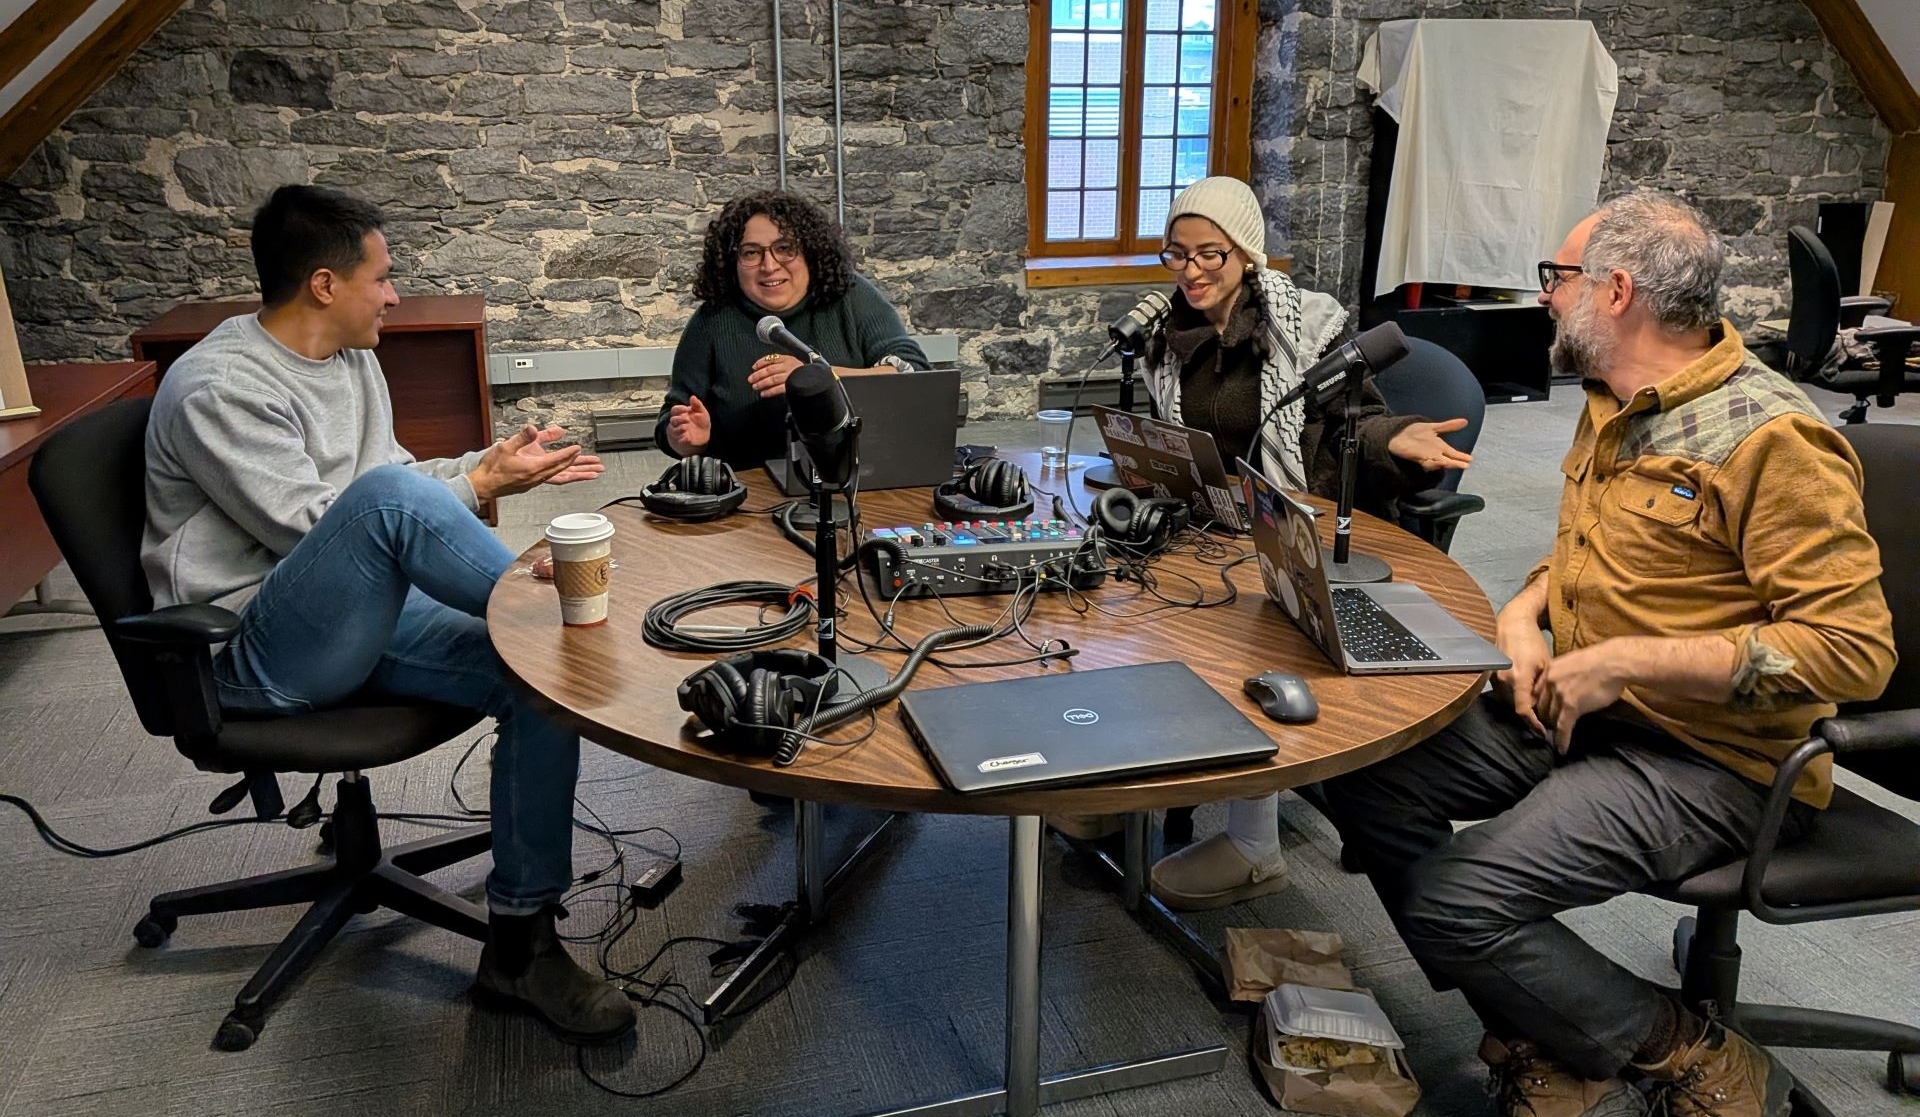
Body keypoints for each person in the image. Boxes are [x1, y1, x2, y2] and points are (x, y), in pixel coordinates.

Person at [1320, 191, 1895, 1117]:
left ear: (1616, 291)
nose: (1546, 295)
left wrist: (1627, 662)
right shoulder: (1616, 400)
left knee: (1455, 902)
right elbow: (1600, 553)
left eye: (1558, 277)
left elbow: (1851, 651)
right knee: (1366, 762)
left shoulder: (1772, 439)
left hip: (1713, 759)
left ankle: (1688, 1048)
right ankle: (1540, 1031)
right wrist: (1523, 612)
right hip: (1586, 710)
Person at [142, 184, 635, 1045]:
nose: (395, 295)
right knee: (431, 537)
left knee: (541, 673)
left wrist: (486, 467)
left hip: (358, 615)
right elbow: (326, 528)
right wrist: (472, 490)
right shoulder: (217, 387)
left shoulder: (349, 358)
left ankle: (520, 943)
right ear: (325, 284)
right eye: (382, 277)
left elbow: (393, 490)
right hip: (254, 648)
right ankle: (580, 609)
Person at [1076, 176, 1472, 911]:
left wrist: (1398, 438)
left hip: (1290, 520)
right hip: (1209, 517)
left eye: (1211, 254)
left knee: (1243, 634)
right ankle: (1128, 786)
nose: (1191, 270)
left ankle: (1255, 846)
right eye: (1176, 253)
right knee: (1129, 604)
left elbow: (1354, 426)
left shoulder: (1307, 330)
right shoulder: (1169, 334)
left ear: (1247, 255)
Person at [656, 190, 930, 467]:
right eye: (751, 253)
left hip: (855, 477)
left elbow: (914, 373)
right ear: (731, 262)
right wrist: (687, 440)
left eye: (785, 248)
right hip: (747, 487)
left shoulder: (851, 297)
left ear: (810, 251)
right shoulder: (711, 321)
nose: (769, 266)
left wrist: (819, 378)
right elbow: (673, 418)